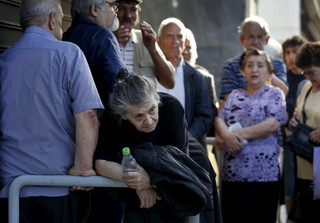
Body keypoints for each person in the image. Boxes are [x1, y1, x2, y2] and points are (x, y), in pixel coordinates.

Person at [0, 0, 104, 222]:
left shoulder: (4, 61)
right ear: (52, 19)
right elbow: (88, 114)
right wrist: (82, 170)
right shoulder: (70, 54)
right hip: (61, 186)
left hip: (14, 190)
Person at [94, 74, 217, 223]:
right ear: (125, 116)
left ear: (157, 101)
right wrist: (139, 182)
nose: (149, 121)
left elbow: (179, 166)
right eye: (139, 116)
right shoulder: (113, 116)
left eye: (152, 110)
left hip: (187, 169)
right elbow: (102, 163)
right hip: (143, 175)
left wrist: (149, 178)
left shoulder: (171, 106)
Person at [215, 49, 286, 223]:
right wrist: (226, 135)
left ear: (269, 72)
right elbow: (219, 119)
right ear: (242, 71)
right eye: (250, 65)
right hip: (232, 173)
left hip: (263, 174)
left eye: (260, 65)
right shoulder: (234, 95)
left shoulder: (274, 94)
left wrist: (235, 134)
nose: (254, 70)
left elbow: (272, 123)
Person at [156, 17, 216, 143]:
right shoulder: (149, 72)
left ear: (185, 41)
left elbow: (204, 115)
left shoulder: (195, 76)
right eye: (170, 36)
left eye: (179, 37)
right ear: (158, 40)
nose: (175, 41)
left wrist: (187, 138)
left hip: (186, 147)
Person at [63, 0, 126, 107]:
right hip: (98, 117)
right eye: (111, 5)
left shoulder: (66, 36)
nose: (116, 10)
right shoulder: (103, 36)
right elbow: (119, 82)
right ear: (94, 9)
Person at [219, 15, 288, 109]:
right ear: (242, 40)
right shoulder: (231, 66)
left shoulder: (277, 64)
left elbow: (282, 92)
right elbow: (229, 99)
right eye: (251, 37)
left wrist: (266, 69)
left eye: (260, 37)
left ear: (267, 39)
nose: (255, 42)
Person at [288, 42, 320, 223]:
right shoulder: (306, 87)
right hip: (305, 165)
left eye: (312, 72)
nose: (308, 77)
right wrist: (295, 122)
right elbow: (299, 112)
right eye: (305, 73)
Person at [113, 0, 175, 89]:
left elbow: (169, 83)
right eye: (122, 9)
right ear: (113, 10)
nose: (128, 15)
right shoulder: (104, 40)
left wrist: (152, 49)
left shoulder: (146, 40)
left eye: (133, 9)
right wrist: (113, 41)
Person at [281, 35, 307, 215]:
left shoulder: (311, 79)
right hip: (286, 143)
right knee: (288, 189)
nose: (291, 57)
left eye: (295, 52)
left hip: (307, 143)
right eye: (287, 53)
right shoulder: (282, 79)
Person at [183, 27, 218, 146]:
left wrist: (188, 139)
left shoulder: (205, 78)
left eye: (189, 47)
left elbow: (210, 114)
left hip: (196, 145)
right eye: (183, 47)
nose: (185, 52)